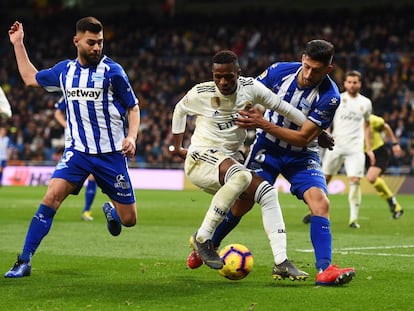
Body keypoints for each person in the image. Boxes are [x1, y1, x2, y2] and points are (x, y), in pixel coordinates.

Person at [209, 40, 356, 286]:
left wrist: (262, 123)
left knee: (320, 203)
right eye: (306, 66)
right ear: (302, 59)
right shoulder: (279, 71)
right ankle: (208, 244)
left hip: (302, 155)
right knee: (241, 204)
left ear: (328, 70)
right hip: (267, 148)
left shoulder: (330, 97)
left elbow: (302, 137)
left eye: (316, 70)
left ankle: (324, 270)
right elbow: (248, 93)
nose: (309, 74)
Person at [5, 16, 140, 278]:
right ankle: (24, 260)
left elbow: (133, 107)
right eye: (91, 43)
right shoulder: (65, 71)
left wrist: (132, 136)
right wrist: (18, 43)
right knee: (51, 197)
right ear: (76, 41)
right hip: (77, 152)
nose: (97, 48)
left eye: (100, 43)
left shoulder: (113, 72)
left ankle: (111, 208)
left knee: (129, 220)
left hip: (110, 155)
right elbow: (30, 78)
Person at [172, 50, 310, 280]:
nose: (223, 82)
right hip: (201, 158)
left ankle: (281, 261)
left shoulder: (251, 88)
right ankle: (203, 237)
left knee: (267, 192)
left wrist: (317, 131)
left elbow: (284, 108)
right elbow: (180, 110)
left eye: (228, 76)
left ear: (238, 73)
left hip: (228, 162)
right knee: (242, 177)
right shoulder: (201, 92)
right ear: (213, 75)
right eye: (218, 77)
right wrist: (176, 146)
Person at [320, 70, 373, 229]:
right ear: (345, 83)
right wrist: (326, 133)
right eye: (349, 82)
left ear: (360, 84)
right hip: (335, 145)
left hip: (355, 148)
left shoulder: (366, 103)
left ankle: (353, 219)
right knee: (324, 179)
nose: (352, 85)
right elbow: (327, 119)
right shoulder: (338, 99)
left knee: (355, 181)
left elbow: (367, 125)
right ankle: (316, 211)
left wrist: (368, 148)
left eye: (355, 82)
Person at [54, 96, 97, 221]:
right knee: (65, 178)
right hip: (73, 139)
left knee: (92, 175)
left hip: (89, 136)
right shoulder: (69, 90)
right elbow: (57, 112)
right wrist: (66, 125)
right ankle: (52, 205)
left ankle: (87, 210)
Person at [365, 114, 404, 219]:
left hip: (379, 152)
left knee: (371, 177)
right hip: (364, 154)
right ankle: (394, 205)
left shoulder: (373, 119)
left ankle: (393, 201)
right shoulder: (351, 121)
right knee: (373, 180)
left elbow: (386, 126)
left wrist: (395, 143)